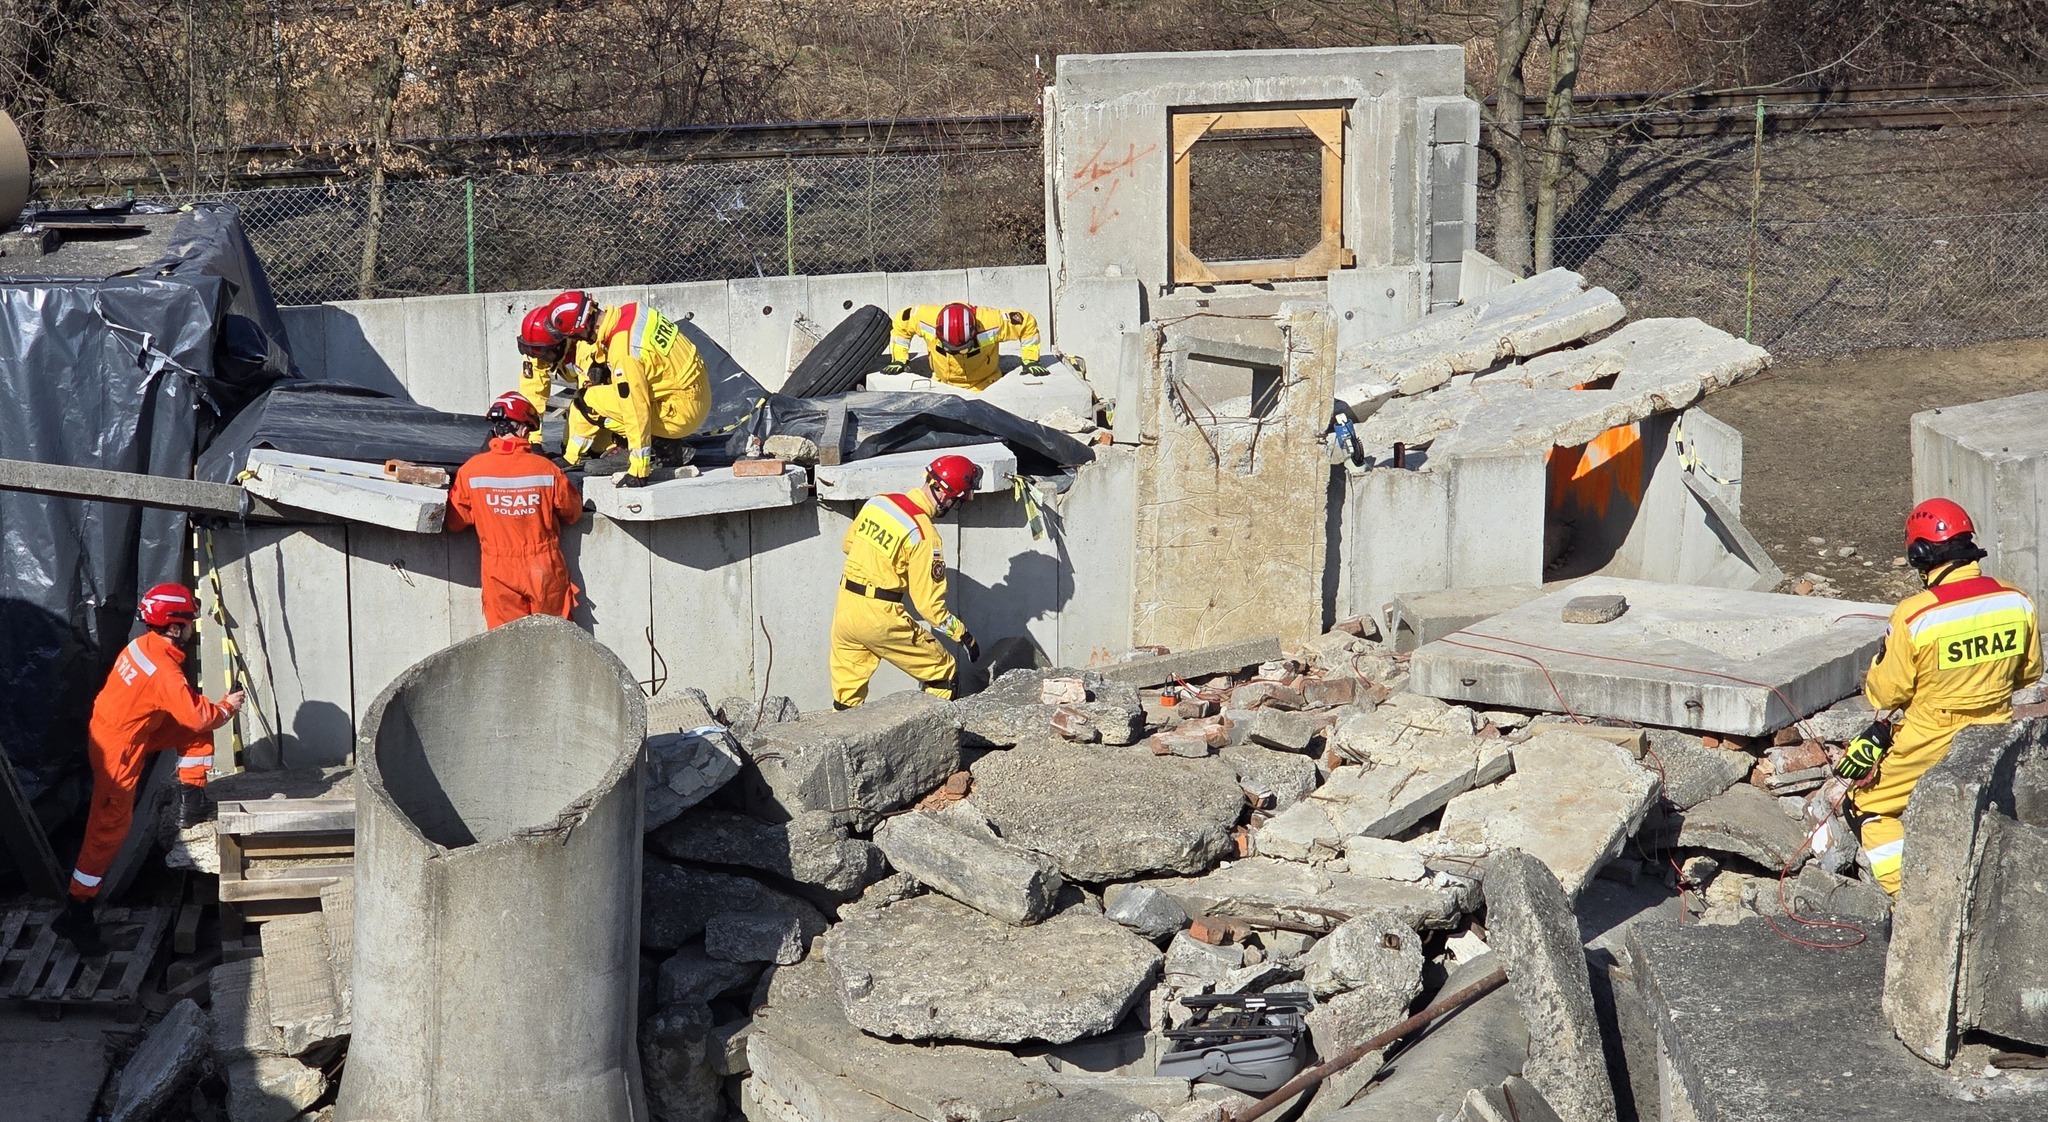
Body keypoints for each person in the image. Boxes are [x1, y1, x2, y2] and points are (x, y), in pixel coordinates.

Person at [1837, 498, 2042, 895]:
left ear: (1920, 554)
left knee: (1866, 806)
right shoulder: (2016, 599)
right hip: (1996, 725)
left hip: (1932, 731)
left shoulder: (1916, 615)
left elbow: (1887, 692)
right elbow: (2030, 671)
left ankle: (1908, 899)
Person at [55, 583, 245, 954]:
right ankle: (77, 912)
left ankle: (192, 803)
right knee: (108, 830)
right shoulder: (165, 672)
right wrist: (227, 707)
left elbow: (186, 718)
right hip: (120, 750)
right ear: (174, 626)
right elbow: (198, 714)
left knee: (194, 734)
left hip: (121, 730)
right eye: (189, 619)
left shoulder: (143, 646)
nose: (193, 625)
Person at [829, 454, 984, 709]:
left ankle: (839, 744)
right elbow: (929, 607)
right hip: (880, 617)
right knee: (942, 673)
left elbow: (848, 544)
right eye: (958, 500)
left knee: (847, 697)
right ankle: (932, 742)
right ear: (946, 496)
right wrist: (963, 635)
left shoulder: (879, 503)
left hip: (845, 608)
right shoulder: (924, 534)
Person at [524, 289, 711, 487]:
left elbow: (635, 408)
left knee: (590, 400)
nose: (577, 342)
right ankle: (654, 441)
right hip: (696, 394)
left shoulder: (624, 350)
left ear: (583, 327)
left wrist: (639, 469)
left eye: (575, 337)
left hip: (680, 413)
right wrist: (558, 451)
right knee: (597, 401)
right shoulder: (632, 311)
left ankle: (658, 444)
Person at [446, 392, 586, 628]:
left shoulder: (472, 471)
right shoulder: (546, 469)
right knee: (554, 640)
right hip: (543, 566)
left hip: (498, 569)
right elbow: (573, 512)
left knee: (507, 645)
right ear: (523, 430)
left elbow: (455, 521)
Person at [884, 301, 1045, 392]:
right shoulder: (924, 319)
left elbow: (1026, 323)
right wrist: (899, 358)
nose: (958, 353)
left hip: (986, 385)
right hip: (941, 384)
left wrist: (1030, 359)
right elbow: (902, 323)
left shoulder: (991, 322)